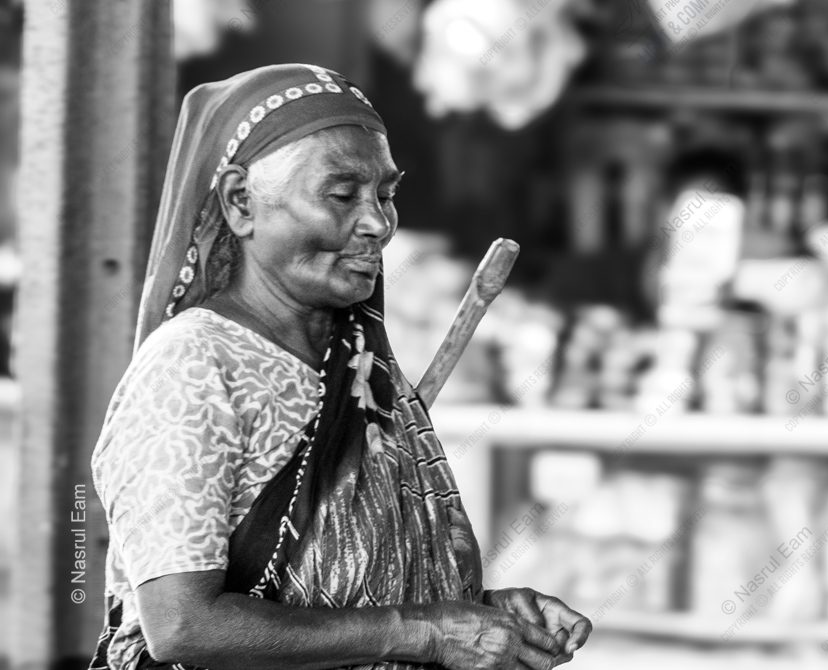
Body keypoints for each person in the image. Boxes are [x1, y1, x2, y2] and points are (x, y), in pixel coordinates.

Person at [89, 63, 591, 670]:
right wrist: (426, 633)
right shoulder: (195, 367)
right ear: (241, 202)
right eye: (342, 194)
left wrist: (478, 613)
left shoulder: (357, 363)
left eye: (386, 195)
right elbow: (183, 625)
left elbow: (335, 586)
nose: (378, 223)